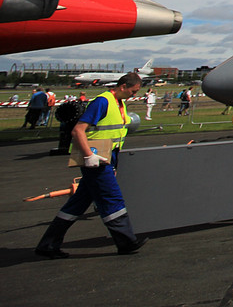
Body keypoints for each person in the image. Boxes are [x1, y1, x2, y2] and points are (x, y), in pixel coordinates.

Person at [34, 72, 148, 258]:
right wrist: (89, 156)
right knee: (112, 199)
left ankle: (48, 244)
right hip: (96, 159)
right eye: (133, 91)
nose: (134, 95)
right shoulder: (102, 102)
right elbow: (78, 130)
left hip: (108, 157)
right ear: (123, 86)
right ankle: (126, 241)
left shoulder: (120, 103)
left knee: (77, 205)